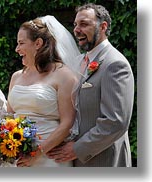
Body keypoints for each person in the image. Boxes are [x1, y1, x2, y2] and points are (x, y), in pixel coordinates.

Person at [46, 3, 134, 167]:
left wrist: (77, 148)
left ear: (103, 26)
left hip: (104, 160)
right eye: (75, 25)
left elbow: (116, 122)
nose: (77, 30)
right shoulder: (79, 61)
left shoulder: (115, 64)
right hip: (76, 161)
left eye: (84, 24)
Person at [7, 15, 81, 167]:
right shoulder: (16, 77)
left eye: (21, 43)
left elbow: (67, 123)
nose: (17, 49)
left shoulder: (64, 75)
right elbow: (9, 117)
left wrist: (37, 153)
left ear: (38, 43)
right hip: (19, 158)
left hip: (50, 158)